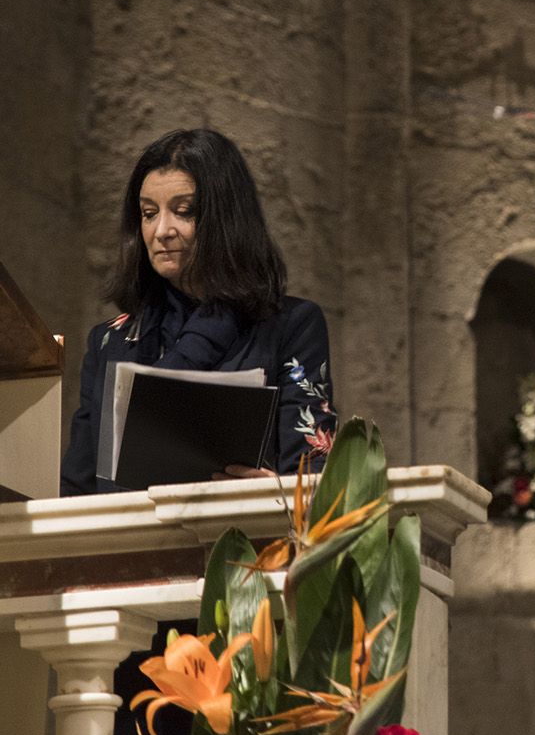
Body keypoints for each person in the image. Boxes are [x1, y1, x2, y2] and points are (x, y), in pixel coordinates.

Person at [61, 128, 339, 496]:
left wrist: (276, 494)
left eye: (184, 211)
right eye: (148, 213)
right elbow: (76, 489)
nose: (162, 230)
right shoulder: (108, 341)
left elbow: (313, 476)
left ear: (227, 218)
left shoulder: (291, 325)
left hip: (249, 530)